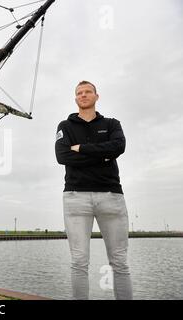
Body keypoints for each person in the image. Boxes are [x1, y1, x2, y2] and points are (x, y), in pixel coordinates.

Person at [55, 80, 133, 300]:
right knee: (79, 262)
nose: (83, 95)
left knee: (119, 262)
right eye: (79, 92)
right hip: (75, 197)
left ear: (96, 96)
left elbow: (119, 147)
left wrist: (82, 149)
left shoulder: (112, 124)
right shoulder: (65, 126)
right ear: (75, 98)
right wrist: (102, 155)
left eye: (88, 91)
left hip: (111, 196)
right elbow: (63, 156)